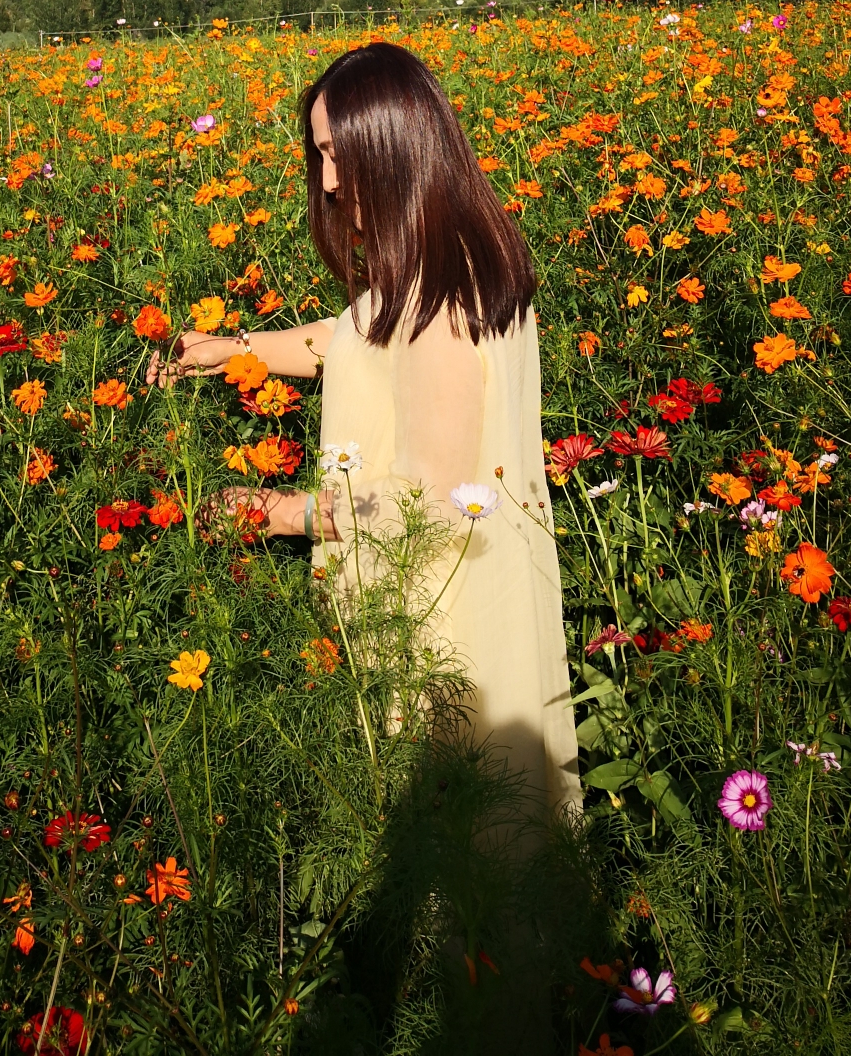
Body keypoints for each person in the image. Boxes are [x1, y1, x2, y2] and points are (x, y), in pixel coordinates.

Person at [152, 40, 581, 816]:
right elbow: (353, 337)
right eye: (320, 155)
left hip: (444, 627)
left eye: (336, 154)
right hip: (479, 594)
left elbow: (434, 503)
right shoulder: (450, 261)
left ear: (391, 146)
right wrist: (232, 351)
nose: (328, 180)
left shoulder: (438, 312)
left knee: (463, 852)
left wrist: (281, 512)